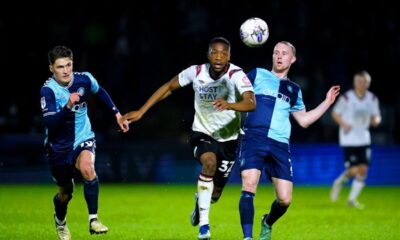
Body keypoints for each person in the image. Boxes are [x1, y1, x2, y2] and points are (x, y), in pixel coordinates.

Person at [121, 37, 256, 240]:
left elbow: (251, 102)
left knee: (216, 194)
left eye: (223, 53)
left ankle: (199, 203)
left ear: (229, 56)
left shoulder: (236, 75)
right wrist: (141, 111)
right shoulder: (196, 72)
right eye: (214, 52)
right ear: (208, 54)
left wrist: (231, 105)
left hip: (230, 139)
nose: (218, 57)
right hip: (202, 133)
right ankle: (204, 227)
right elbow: (168, 87)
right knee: (208, 163)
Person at [237, 41, 340, 240]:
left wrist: (327, 101)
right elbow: (236, 90)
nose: (279, 56)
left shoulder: (294, 89)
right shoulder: (257, 74)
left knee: (284, 200)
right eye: (276, 52)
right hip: (254, 137)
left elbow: (304, 120)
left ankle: (267, 222)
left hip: (280, 144)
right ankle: (248, 237)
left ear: (292, 59)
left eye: (284, 53)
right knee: (249, 185)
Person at [40, 46, 129, 240]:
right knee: (66, 194)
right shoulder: (48, 90)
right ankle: (60, 221)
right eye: (60, 66)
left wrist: (117, 114)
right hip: (58, 148)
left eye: (68, 65)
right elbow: (50, 123)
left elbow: (100, 91)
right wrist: (68, 105)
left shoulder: (84, 79)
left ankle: (93, 220)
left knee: (88, 169)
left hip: (83, 137)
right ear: (51, 69)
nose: (65, 70)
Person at [330, 70, 381, 209]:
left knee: (363, 169)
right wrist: (343, 123)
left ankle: (352, 200)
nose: (362, 84)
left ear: (368, 83)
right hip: (349, 139)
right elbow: (335, 113)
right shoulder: (347, 98)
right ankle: (339, 182)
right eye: (359, 81)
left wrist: (376, 120)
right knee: (353, 171)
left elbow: (377, 115)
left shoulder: (372, 99)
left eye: (365, 81)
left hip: (364, 138)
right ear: (355, 82)